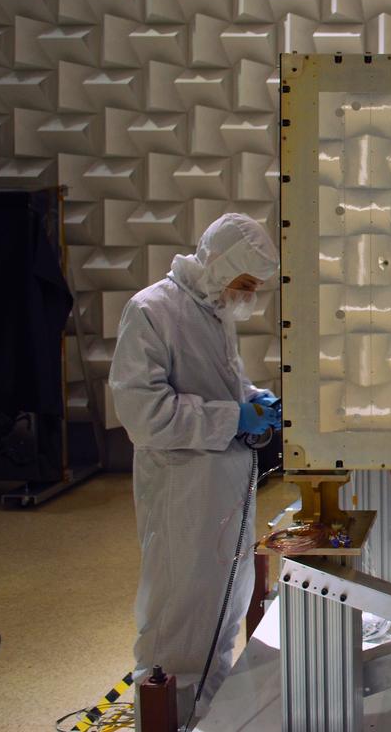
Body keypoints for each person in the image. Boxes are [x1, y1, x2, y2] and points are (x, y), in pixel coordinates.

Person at [109, 213, 281, 722]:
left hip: (224, 488)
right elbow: (145, 413)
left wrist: (252, 402)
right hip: (182, 491)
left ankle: (211, 715)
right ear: (220, 263)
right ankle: (170, 718)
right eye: (244, 283)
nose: (247, 296)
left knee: (222, 610)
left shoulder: (212, 310)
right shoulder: (151, 310)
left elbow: (216, 388)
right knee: (178, 617)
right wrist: (234, 416)